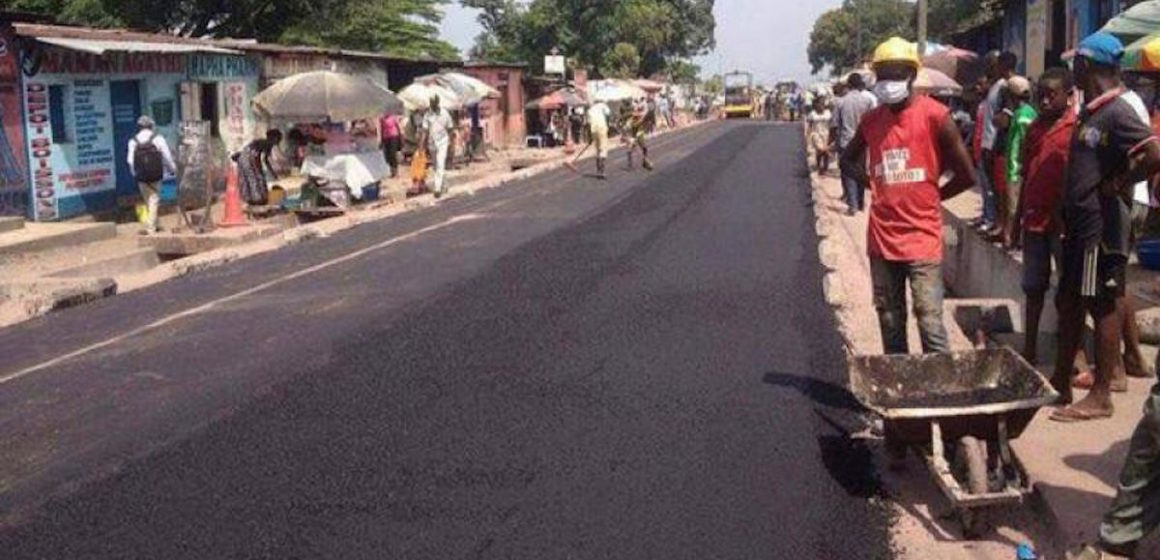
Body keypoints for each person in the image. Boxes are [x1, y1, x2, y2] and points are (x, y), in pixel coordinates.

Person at [840, 37, 977, 356]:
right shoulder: (872, 121)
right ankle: (900, 380)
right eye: (883, 75)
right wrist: (874, 183)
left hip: (922, 236)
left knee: (929, 320)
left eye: (896, 74)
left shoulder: (935, 117)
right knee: (889, 318)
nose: (888, 83)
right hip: (882, 237)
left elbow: (967, 174)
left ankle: (941, 387)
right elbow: (848, 160)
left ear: (912, 75)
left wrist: (933, 195)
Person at [1050, 33, 1160, 423]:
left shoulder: (1117, 111)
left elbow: (1153, 152)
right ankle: (1060, 382)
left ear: (1089, 65)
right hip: (1080, 226)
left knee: (1102, 305)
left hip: (1102, 229)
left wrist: (1120, 182)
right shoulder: (1091, 112)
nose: (1073, 72)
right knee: (1070, 303)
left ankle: (1101, 395)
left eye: (1076, 64)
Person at [1014, 68, 1076, 366]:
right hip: (1034, 220)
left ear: (1068, 95)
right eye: (1042, 94)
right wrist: (1015, 223)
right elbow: (1027, 176)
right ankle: (1030, 347)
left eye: (1052, 94)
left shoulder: (1075, 129)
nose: (1046, 100)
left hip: (1063, 224)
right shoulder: (1034, 128)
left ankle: (1073, 356)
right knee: (1033, 288)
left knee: (1068, 292)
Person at [979, 51, 1018, 236]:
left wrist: (998, 120)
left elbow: (1007, 116)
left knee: (1000, 189)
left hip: (997, 143)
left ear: (1001, 65)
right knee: (992, 186)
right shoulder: (995, 86)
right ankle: (996, 222)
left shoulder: (1006, 87)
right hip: (989, 143)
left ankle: (1001, 225)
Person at [832, 72, 878, 215]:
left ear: (849, 85)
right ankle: (860, 202)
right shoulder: (868, 101)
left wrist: (832, 143)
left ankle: (852, 204)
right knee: (861, 171)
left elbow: (834, 125)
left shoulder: (841, 102)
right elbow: (874, 122)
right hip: (863, 142)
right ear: (860, 85)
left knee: (848, 172)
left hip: (846, 141)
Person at [1003, 76, 1037, 248]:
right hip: (1016, 167)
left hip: (1016, 169)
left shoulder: (1023, 116)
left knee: (1014, 208)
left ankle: (1013, 239)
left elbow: (1025, 143)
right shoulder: (1027, 113)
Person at [127, 116, 177, 235]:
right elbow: (167, 156)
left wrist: (134, 173)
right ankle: (151, 228)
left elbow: (129, 161)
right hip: (156, 175)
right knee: (154, 200)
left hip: (141, 177)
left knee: (148, 200)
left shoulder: (133, 141)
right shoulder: (157, 138)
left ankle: (156, 224)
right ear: (151, 126)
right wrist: (173, 169)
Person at [419, 95, 454, 198]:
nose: (432, 106)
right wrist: (421, 146)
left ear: (437, 103)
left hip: (443, 142)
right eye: (431, 104)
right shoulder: (427, 115)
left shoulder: (445, 113)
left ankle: (437, 189)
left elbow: (450, 128)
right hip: (432, 143)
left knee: (440, 163)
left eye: (434, 104)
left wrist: (451, 143)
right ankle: (445, 184)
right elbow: (425, 131)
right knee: (436, 166)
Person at [236, 129, 282, 205]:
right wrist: (272, 174)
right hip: (248, 158)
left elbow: (265, 160)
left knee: (251, 178)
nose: (279, 141)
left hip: (244, 157)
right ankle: (257, 200)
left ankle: (252, 199)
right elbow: (259, 159)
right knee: (255, 178)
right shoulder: (267, 143)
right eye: (279, 139)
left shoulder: (266, 143)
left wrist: (273, 173)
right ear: (274, 138)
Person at [622, 98, 655, 171]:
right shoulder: (630, 121)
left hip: (640, 134)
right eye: (636, 115)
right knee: (630, 149)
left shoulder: (642, 118)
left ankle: (645, 161)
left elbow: (646, 120)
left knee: (644, 147)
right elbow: (626, 128)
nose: (637, 116)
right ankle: (630, 165)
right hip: (632, 135)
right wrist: (626, 136)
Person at [587, 100, 613, 179]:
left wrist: (590, 137)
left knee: (598, 150)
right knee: (603, 150)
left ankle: (598, 171)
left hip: (593, 130)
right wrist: (608, 125)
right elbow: (609, 115)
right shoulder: (603, 106)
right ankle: (602, 171)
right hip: (602, 128)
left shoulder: (590, 110)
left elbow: (589, 124)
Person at [806, 98, 833, 173]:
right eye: (820, 104)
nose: (821, 106)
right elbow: (809, 126)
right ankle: (818, 165)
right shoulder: (812, 114)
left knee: (825, 150)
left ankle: (825, 167)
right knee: (820, 149)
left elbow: (831, 124)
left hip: (826, 133)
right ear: (816, 105)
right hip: (816, 134)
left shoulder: (828, 113)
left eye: (823, 104)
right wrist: (807, 136)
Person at [380, 112, 402, 177]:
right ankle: (391, 171)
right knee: (387, 155)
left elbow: (398, 127)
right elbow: (381, 128)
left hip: (393, 137)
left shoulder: (393, 117)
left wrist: (400, 137)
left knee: (393, 154)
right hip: (386, 138)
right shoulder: (382, 119)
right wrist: (381, 139)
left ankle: (396, 171)